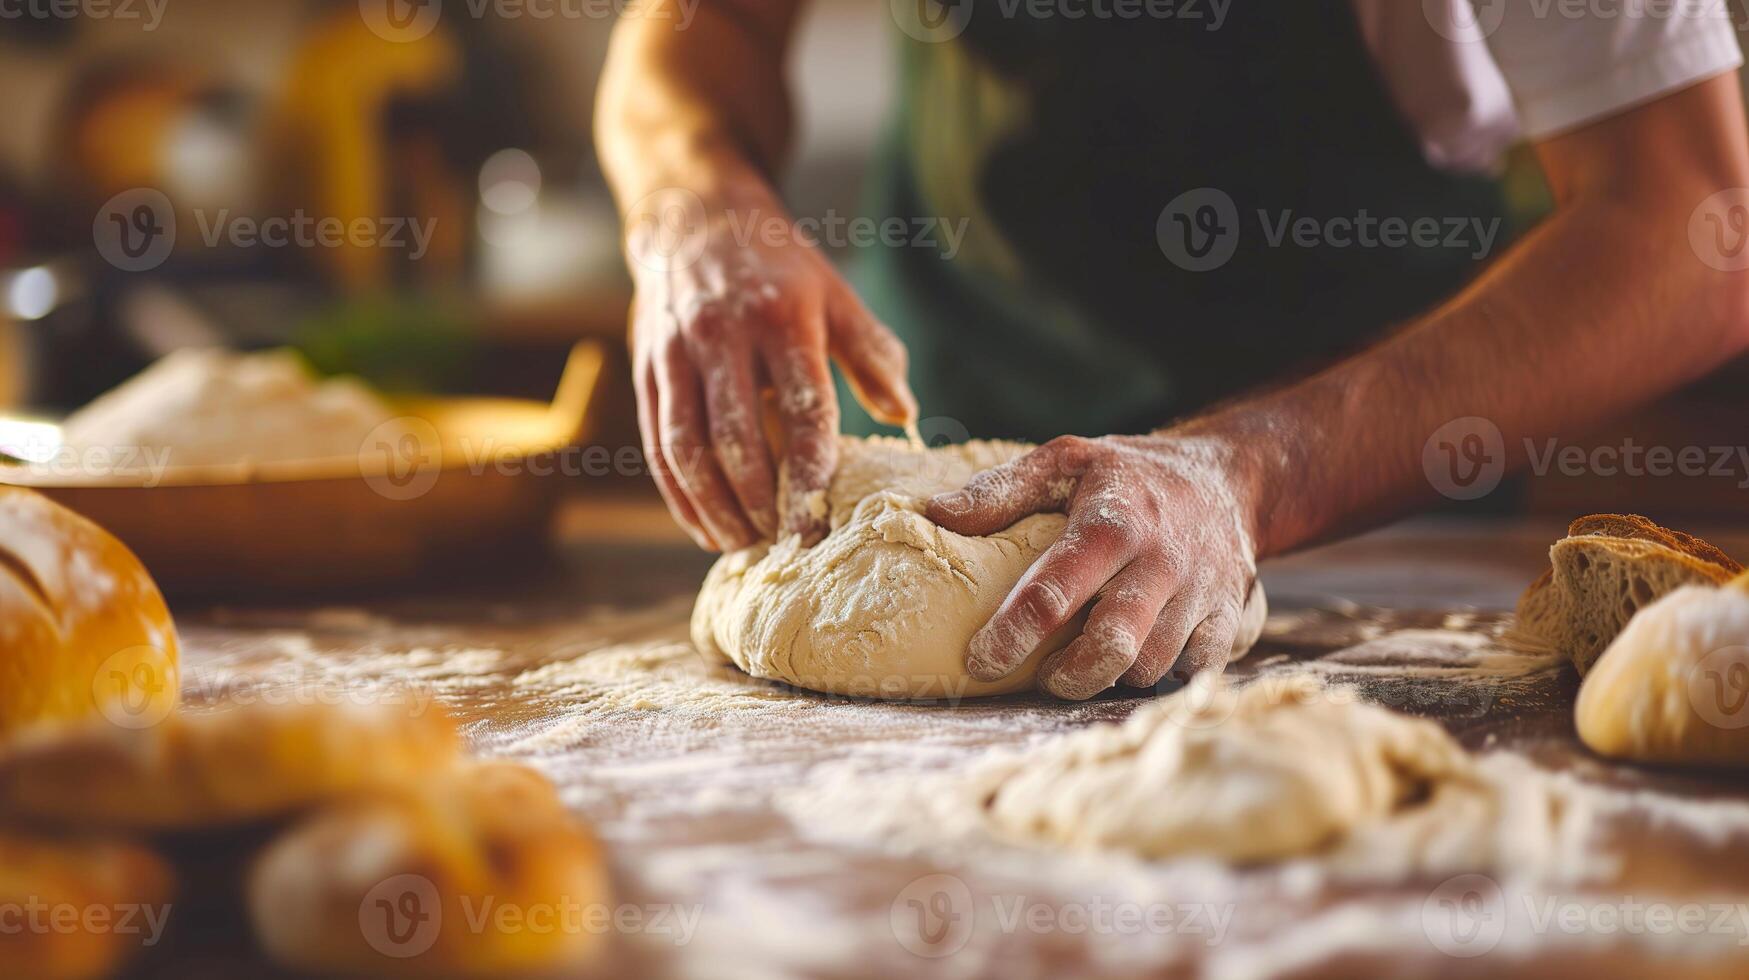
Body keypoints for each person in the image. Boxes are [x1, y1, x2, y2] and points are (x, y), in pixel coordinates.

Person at [596, 0, 1749, 699]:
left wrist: (1246, 473)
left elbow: (1693, 225)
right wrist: (693, 203)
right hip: (939, 444)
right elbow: (703, 34)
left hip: (1365, 566)